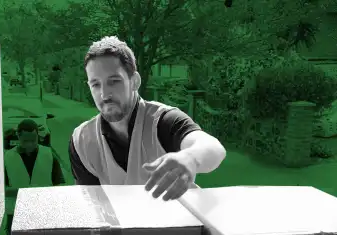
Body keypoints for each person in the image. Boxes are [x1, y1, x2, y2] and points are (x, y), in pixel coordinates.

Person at [69, 36, 226, 201]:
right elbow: (94, 206)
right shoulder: (81, 140)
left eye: (114, 81)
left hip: (181, 224)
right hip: (122, 226)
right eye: (95, 84)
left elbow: (214, 148)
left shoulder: (163, 121)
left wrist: (190, 158)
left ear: (134, 81)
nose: (104, 94)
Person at [4, 118, 65, 235]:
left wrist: (48, 193)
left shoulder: (48, 155)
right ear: (18, 137)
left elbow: (60, 184)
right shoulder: (7, 158)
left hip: (44, 214)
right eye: (25, 141)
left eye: (33, 140)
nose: (30, 144)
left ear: (38, 136)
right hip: (16, 215)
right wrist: (22, 192)